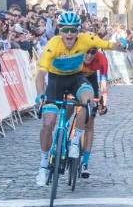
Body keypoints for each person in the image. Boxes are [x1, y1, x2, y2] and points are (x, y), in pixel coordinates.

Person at [34, 11, 126, 186]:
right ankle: (44, 163)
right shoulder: (53, 45)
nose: (69, 34)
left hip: (76, 78)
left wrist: (121, 45)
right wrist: (40, 96)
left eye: (73, 30)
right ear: (59, 30)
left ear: (78, 31)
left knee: (87, 100)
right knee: (48, 123)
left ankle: (76, 139)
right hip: (55, 81)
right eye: (65, 30)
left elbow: (108, 45)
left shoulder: (87, 39)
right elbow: (40, 75)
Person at [79, 47, 109, 177]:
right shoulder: (75, 54)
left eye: (93, 52)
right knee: (68, 106)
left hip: (91, 81)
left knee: (89, 124)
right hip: (75, 78)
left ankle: (85, 162)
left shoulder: (101, 58)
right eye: (87, 52)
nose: (90, 55)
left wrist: (103, 103)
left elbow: (103, 84)